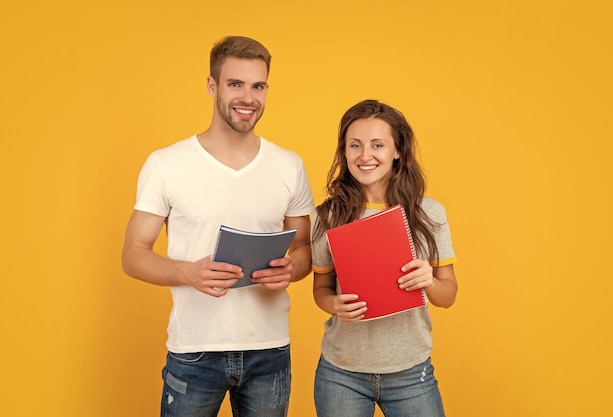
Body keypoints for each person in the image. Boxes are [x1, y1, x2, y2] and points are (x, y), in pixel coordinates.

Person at [121, 36, 314, 417]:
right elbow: (132, 254)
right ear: (212, 86)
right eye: (235, 84)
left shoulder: (288, 165)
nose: (248, 97)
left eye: (258, 86)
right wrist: (187, 272)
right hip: (195, 352)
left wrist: (294, 268)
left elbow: (305, 248)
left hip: (269, 350)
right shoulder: (166, 165)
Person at [311, 99, 458, 417]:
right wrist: (333, 304)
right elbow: (320, 289)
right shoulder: (327, 216)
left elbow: (448, 296)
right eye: (355, 145)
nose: (365, 156)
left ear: (397, 151)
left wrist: (429, 281)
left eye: (377, 145)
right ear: (344, 151)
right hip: (341, 373)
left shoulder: (428, 213)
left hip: (411, 373)